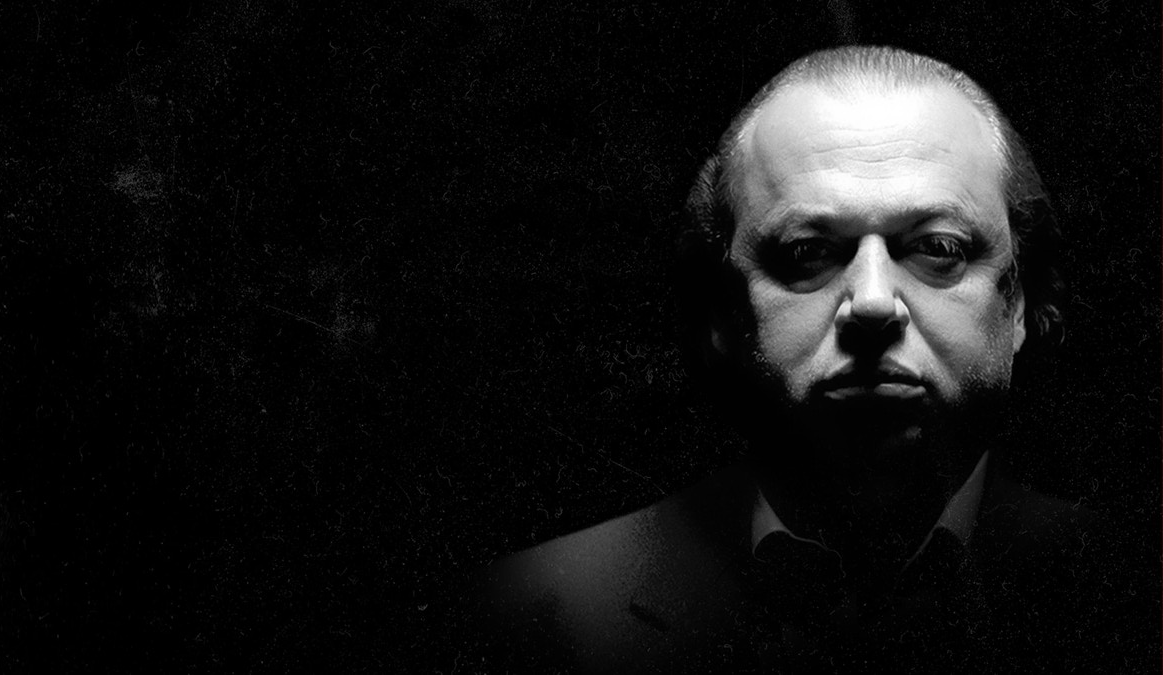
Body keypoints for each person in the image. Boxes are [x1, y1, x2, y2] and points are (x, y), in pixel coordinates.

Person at [471, 45, 1140, 673]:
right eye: (805, 252)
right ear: (722, 313)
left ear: (1020, 302)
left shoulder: (1134, 591)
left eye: (939, 247)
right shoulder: (536, 614)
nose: (872, 303)